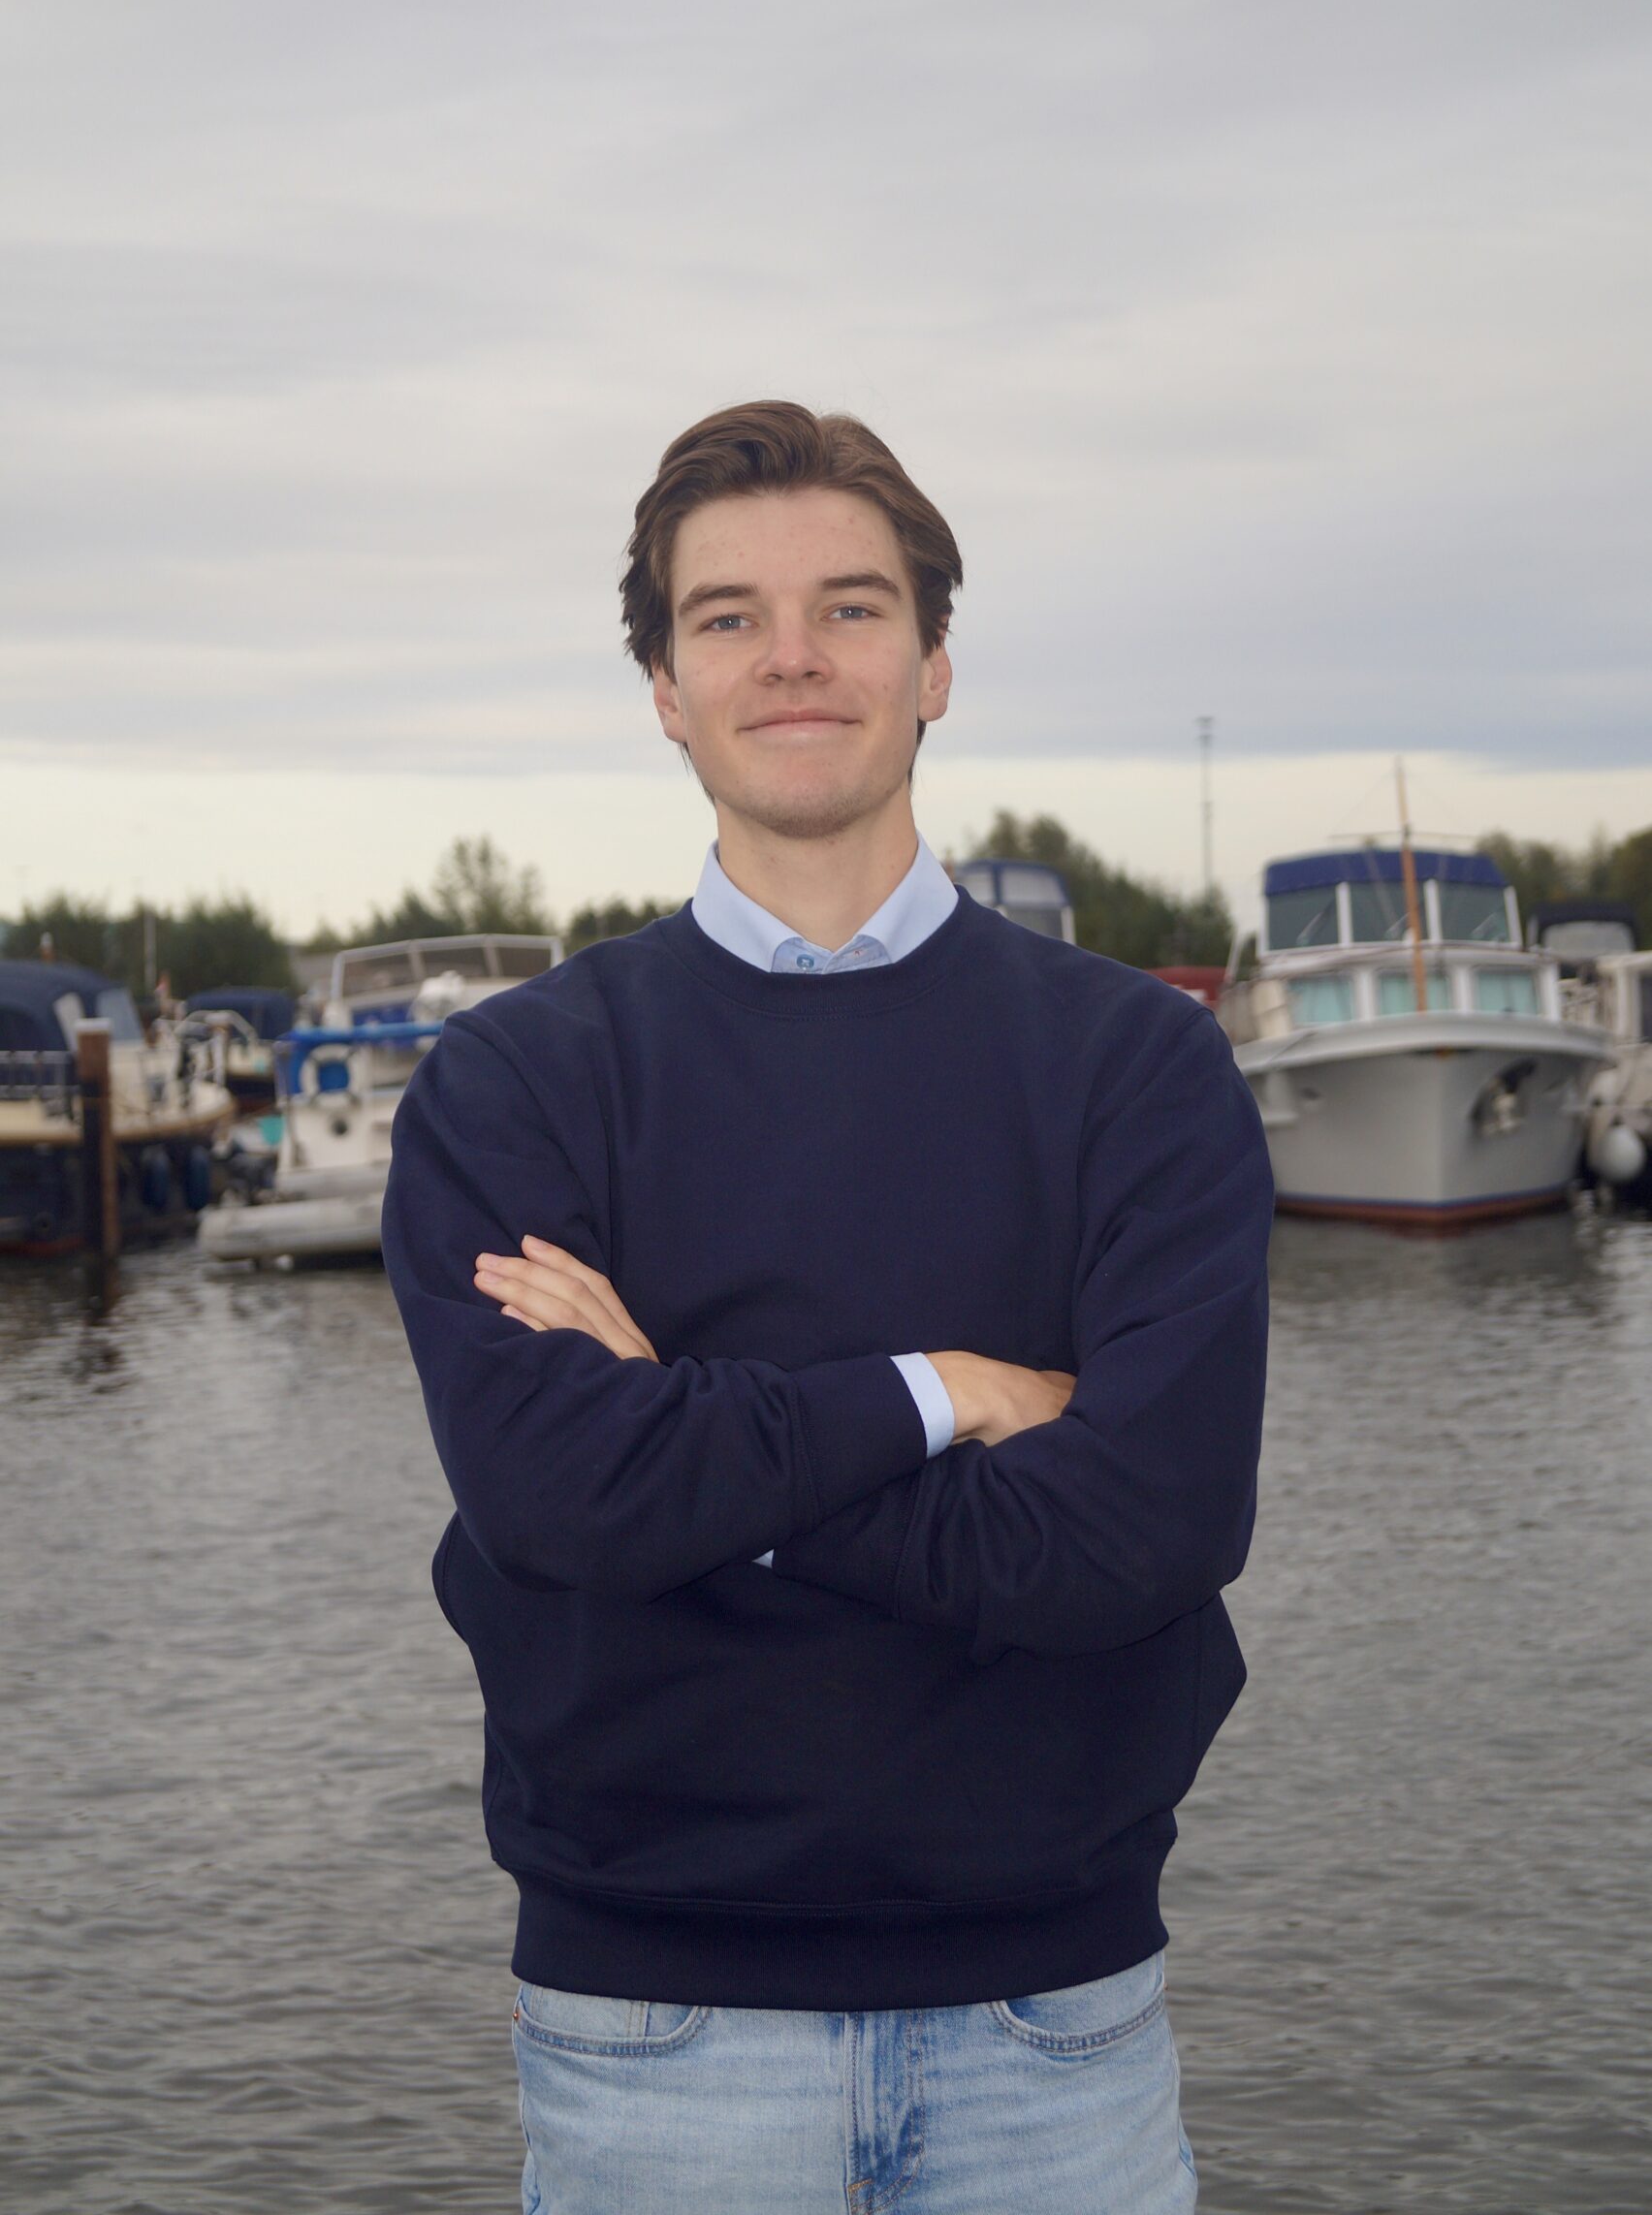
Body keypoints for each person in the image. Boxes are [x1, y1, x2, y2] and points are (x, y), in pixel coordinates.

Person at [380, 399, 1272, 2213]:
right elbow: (558, 1499)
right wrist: (942, 1392)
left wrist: (695, 1451)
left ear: (934, 666)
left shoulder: (1140, 1069)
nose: (792, 656)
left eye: (851, 609)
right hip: (655, 2030)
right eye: (729, 618)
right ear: (664, 686)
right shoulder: (515, 1082)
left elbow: (1146, 1532)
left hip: (1054, 2026)